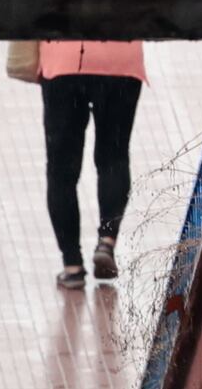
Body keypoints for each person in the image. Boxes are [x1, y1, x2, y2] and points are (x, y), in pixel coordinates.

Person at [34, 39, 150, 289]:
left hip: (63, 61)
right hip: (120, 60)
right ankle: (106, 240)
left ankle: (72, 265)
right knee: (114, 157)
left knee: (61, 171)